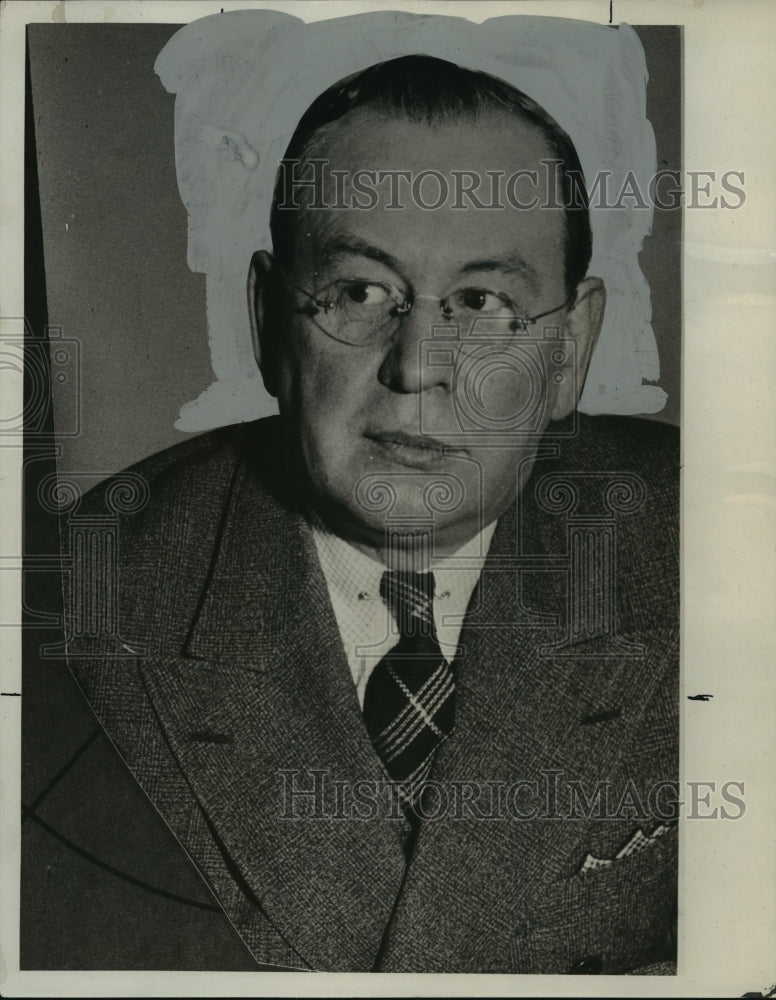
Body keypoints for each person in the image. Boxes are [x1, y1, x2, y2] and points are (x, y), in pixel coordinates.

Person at [22, 56, 679, 974]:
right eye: (360, 292)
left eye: (483, 301)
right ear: (266, 324)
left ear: (568, 349)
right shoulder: (77, 609)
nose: (419, 366)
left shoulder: (711, 547)